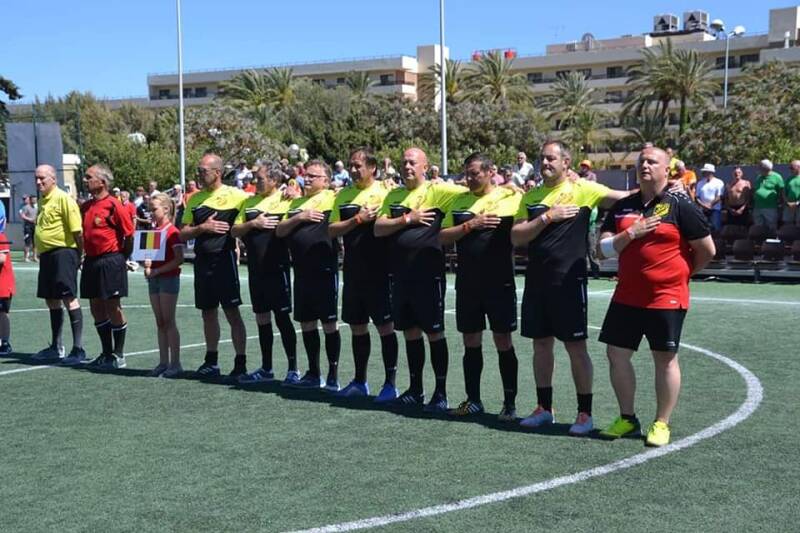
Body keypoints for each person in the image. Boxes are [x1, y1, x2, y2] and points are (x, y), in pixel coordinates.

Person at [596, 146, 715, 447]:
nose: (645, 165)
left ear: (667, 168)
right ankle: (627, 418)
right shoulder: (623, 206)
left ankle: (662, 422)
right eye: (641, 161)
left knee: (664, 358)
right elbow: (601, 250)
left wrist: (681, 275)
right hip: (626, 295)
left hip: (667, 296)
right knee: (616, 354)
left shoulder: (681, 205)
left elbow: (707, 250)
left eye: (652, 161)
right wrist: (630, 233)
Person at [510, 140, 630, 436]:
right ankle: (544, 408)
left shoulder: (583, 189)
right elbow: (516, 236)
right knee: (541, 345)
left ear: (566, 162)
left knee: (576, 347)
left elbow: (624, 198)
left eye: (551, 158)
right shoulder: (532, 196)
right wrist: (547, 217)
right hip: (537, 281)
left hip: (569, 282)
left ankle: (584, 413)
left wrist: (667, 190)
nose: (545, 163)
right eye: (542, 158)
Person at [374, 147, 467, 411]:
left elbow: (473, 190)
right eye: (404, 162)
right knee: (410, 332)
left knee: (434, 333)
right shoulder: (394, 195)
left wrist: (509, 188)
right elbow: (378, 228)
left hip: (428, 276)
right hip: (400, 276)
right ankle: (415, 390)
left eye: (412, 162)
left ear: (425, 167)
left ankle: (440, 393)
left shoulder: (438, 192)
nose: (407, 166)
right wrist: (407, 219)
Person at [439, 153, 522, 420]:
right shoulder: (459, 201)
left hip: (500, 283)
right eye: (467, 173)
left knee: (503, 340)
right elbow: (442, 236)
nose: (470, 178)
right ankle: (473, 400)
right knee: (470, 341)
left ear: (490, 172)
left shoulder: (510, 197)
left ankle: (509, 404)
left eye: (475, 173)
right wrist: (470, 225)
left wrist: (514, 187)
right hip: (468, 283)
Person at [327, 147, 398, 400]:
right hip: (353, 272)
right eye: (351, 165)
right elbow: (331, 230)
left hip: (381, 271)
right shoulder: (343, 195)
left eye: (358, 166)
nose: (353, 170)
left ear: (372, 168)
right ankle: (360, 381)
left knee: (385, 328)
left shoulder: (387, 191)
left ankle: (390, 385)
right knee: (357, 327)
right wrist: (357, 219)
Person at [180, 153, 249, 378]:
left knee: (232, 312)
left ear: (217, 172)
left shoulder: (237, 195)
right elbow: (182, 233)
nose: (199, 175)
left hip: (224, 260)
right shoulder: (195, 199)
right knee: (208, 313)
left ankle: (240, 363)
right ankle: (211, 361)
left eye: (203, 171)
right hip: (202, 262)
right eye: (198, 171)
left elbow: (262, 201)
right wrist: (203, 228)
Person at [276, 160, 341, 390]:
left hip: (324, 270)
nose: (308, 179)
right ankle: (314, 373)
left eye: (314, 176)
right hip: (301, 271)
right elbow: (280, 230)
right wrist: (300, 217)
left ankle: (333, 375)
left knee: (329, 323)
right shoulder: (296, 203)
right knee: (306, 322)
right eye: (307, 175)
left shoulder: (332, 197)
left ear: (326, 180)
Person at [231, 166, 299, 385]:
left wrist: (293, 188)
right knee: (262, 318)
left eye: (259, 178)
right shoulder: (249, 202)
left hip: (277, 268)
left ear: (273, 180)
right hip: (255, 270)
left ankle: (293, 369)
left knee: (282, 318)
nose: (255, 181)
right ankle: (266, 368)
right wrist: (253, 223)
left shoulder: (286, 199)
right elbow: (234, 231)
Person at [80, 165, 135, 369]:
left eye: (89, 177)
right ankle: (105, 352)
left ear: (102, 182)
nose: (85, 180)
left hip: (111, 260)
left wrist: (121, 258)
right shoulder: (86, 206)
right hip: (91, 261)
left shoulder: (114, 205)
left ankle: (118, 354)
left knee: (113, 306)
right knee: (95, 307)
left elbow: (129, 235)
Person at [32, 164, 86, 364]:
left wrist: (79, 254)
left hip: (63, 253)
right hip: (47, 256)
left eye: (42, 178)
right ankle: (56, 346)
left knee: (68, 297)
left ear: (53, 179)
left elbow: (77, 231)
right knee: (51, 299)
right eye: (36, 178)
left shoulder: (63, 199)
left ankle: (78, 349)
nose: (38, 182)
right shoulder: (42, 200)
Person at [143, 193, 184, 378]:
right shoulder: (154, 231)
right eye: (150, 210)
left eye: (154, 209)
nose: (151, 213)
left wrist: (157, 271)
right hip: (155, 279)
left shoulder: (172, 231)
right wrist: (148, 265)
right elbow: (150, 256)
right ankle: (163, 362)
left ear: (166, 209)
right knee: (160, 321)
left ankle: (175, 363)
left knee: (168, 321)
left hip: (168, 279)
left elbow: (179, 259)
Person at [753, 159, 784, 232]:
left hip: (770, 207)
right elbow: (755, 189)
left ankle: (771, 239)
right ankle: (760, 239)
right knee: (759, 228)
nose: (758, 169)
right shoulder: (759, 177)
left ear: (766, 169)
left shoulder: (777, 177)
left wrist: (780, 202)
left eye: (760, 167)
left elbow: (782, 191)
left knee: (771, 228)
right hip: (758, 207)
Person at [695, 163, 725, 233]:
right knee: (702, 229)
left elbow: (720, 196)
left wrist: (710, 205)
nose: (703, 173)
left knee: (716, 229)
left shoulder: (719, 182)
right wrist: (703, 205)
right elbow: (697, 197)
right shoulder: (700, 183)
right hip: (702, 210)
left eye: (705, 171)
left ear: (710, 172)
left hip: (715, 209)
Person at [0, 228, 15, 355]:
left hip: (3, 285)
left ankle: (5, 342)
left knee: (2, 313)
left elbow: (2, 258)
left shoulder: (1, 236)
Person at [19, 195, 38, 262]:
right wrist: (30, 219)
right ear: (30, 200)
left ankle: (34, 257)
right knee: (28, 242)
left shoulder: (37, 207)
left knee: (35, 242)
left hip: (35, 226)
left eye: (35, 200)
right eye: (33, 200)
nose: (34, 201)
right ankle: (26, 257)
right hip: (28, 226)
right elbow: (22, 216)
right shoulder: (26, 207)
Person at [783, 160, 800, 226]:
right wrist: (788, 202)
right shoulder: (788, 179)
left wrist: (797, 203)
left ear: (799, 167)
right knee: (787, 224)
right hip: (789, 206)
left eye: (792, 168)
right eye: (790, 168)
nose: (790, 169)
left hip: (798, 205)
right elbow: (784, 192)